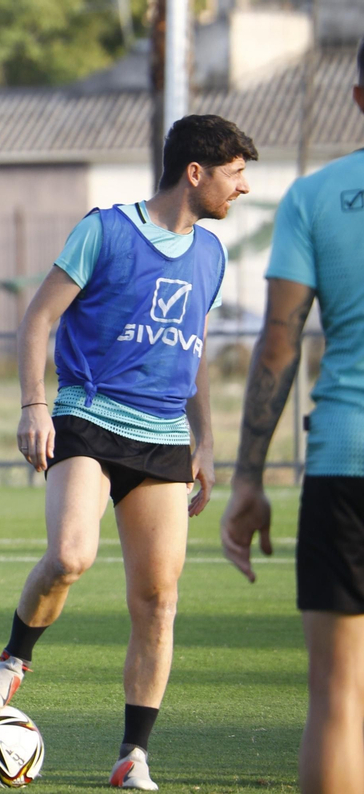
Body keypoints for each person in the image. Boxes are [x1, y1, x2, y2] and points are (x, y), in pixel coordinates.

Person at [0, 115, 256, 789]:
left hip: (164, 440)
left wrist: (206, 443)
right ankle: (15, 659)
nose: (243, 188)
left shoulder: (211, 254)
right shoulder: (104, 229)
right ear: (197, 172)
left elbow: (196, 350)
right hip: (89, 418)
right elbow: (38, 318)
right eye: (237, 173)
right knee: (72, 555)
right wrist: (34, 406)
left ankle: (133, 756)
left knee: (158, 600)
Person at [221, 38, 364, 794]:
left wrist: (247, 476)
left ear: (359, 96)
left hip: (344, 464)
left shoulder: (314, 197)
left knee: (338, 701)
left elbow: (279, 344)